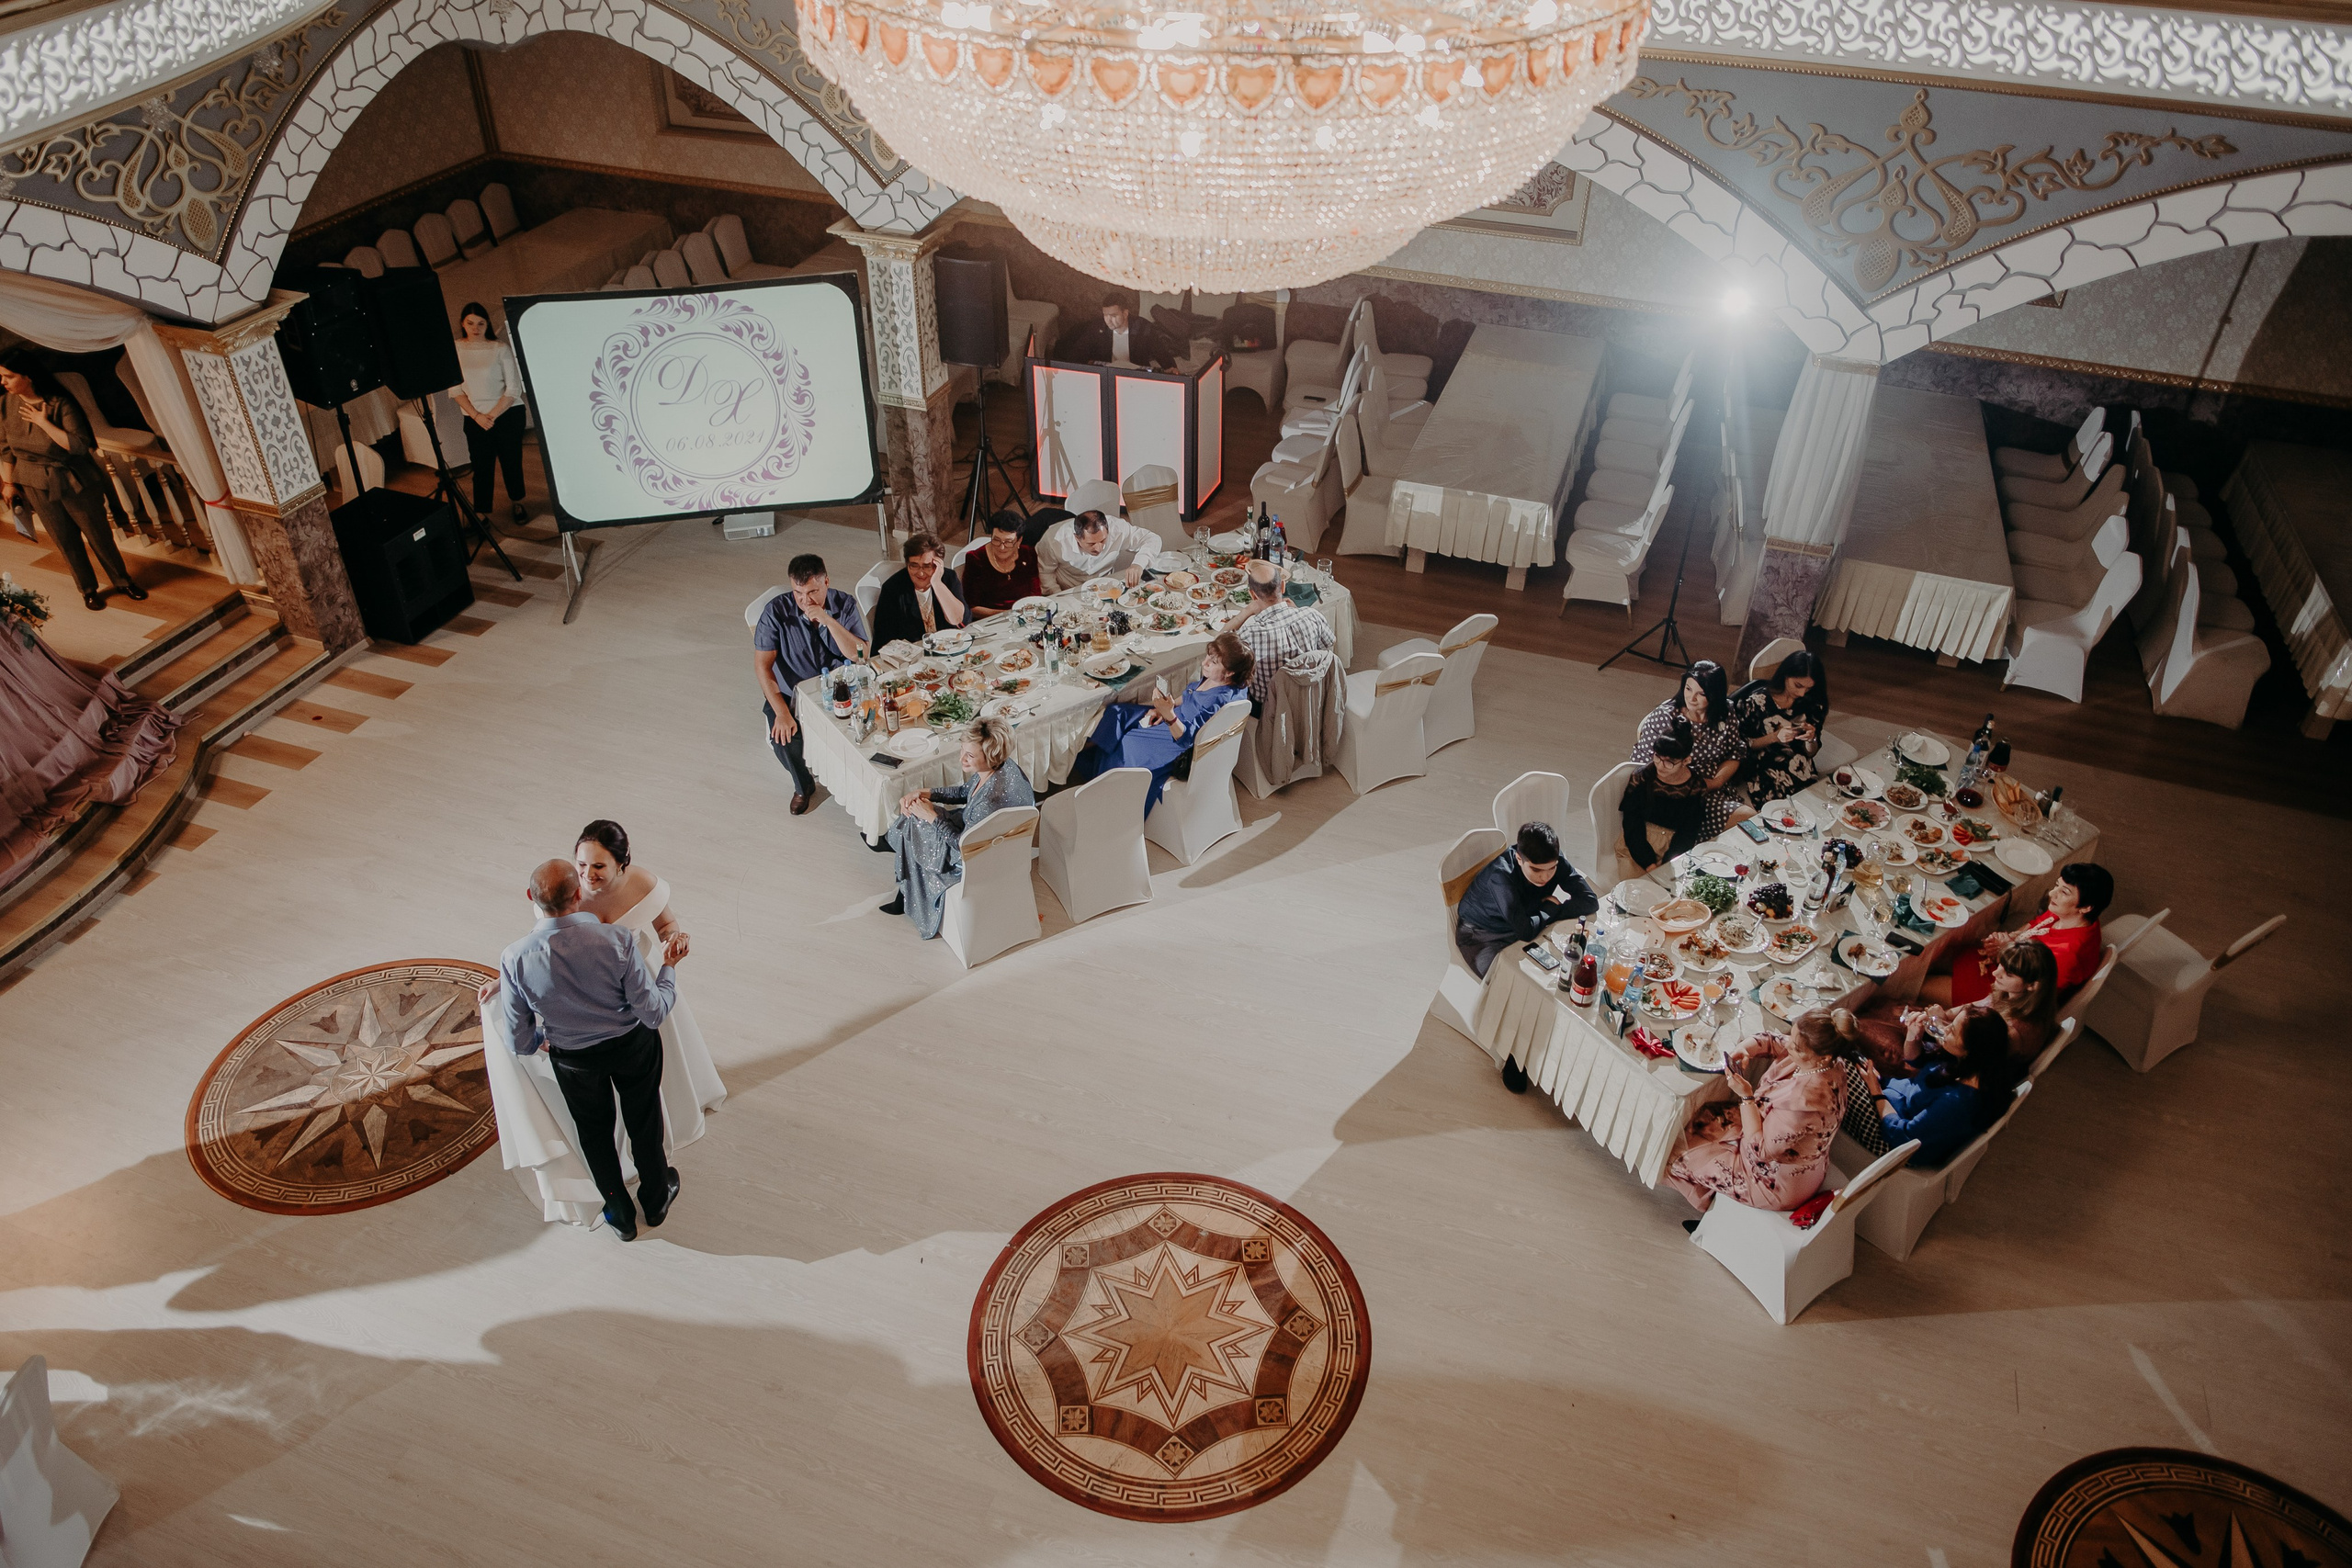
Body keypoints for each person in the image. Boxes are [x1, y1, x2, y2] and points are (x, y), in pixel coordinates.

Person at [493, 858, 686, 1242]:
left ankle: (619, 1213)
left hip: (574, 1060)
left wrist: (542, 1040)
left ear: (530, 896)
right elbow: (652, 1012)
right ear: (578, 895)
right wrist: (669, 968)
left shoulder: (514, 958)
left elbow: (518, 1038)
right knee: (644, 1120)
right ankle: (655, 1199)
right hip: (632, 1047)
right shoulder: (617, 941)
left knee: (594, 1135)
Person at [571, 819, 728, 1145]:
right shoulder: (569, 890)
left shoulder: (643, 883)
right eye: (582, 864)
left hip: (641, 972)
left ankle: (670, 1111)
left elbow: (666, 924)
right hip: (592, 985)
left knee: (657, 1047)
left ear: (621, 864)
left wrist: (673, 940)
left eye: (598, 866)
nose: (587, 874)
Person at [1667, 1007, 1859, 1215]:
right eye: (1792, 1036)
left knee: (1675, 1149)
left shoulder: (1805, 1104)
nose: (1789, 1045)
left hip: (1770, 1181)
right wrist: (1745, 1048)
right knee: (1699, 1116)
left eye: (1796, 1047)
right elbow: (1772, 1040)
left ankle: (1716, 1206)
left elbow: (1760, 1152)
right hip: (1777, 1144)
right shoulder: (1828, 1060)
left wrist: (1746, 1097)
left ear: (1823, 1057)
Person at [0, 355, 144, 612]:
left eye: (8, 376)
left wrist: (43, 423)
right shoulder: (4, 404)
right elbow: (5, 448)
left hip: (73, 479)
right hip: (34, 481)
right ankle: (87, 590)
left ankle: (123, 581)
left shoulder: (60, 404)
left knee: (98, 535)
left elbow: (78, 446)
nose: (2, 382)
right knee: (64, 539)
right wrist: (8, 483)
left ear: (28, 376)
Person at [880, 717, 1035, 937]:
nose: (962, 758)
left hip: (978, 857)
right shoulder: (1004, 765)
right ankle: (895, 845)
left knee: (917, 823)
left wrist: (932, 816)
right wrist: (925, 793)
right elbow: (964, 792)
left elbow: (962, 846)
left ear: (991, 756)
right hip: (993, 843)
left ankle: (901, 883)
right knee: (919, 814)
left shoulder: (989, 801)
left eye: (970, 755)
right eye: (962, 750)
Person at [1065, 633, 1253, 812]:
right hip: (1172, 717)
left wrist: (1169, 714)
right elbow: (1190, 696)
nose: (1205, 663)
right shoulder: (1220, 679)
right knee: (1119, 713)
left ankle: (1104, 791)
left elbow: (1186, 740)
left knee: (1127, 742)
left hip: (1178, 738)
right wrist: (1167, 706)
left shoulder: (1218, 701)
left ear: (1230, 672)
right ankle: (1093, 765)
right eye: (1208, 656)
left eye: (1213, 662)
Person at [752, 553, 868, 816]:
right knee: (784, 740)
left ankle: (856, 783)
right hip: (791, 692)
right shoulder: (775, 611)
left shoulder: (844, 604)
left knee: (866, 725)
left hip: (840, 688)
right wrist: (782, 712)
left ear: (826, 582)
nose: (805, 601)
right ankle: (803, 786)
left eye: (812, 592)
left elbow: (859, 654)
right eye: (798, 593)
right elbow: (762, 666)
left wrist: (828, 620)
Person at [1917, 861, 2111, 1007]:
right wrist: (2009, 939)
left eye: (2064, 892)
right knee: (1931, 955)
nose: (2052, 894)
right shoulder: (2070, 914)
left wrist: (2006, 951)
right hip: (1999, 965)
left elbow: (2030, 997)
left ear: (2086, 907)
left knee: (1918, 986)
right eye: (2056, 885)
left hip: (2003, 992)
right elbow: (2032, 926)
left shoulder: (2070, 954)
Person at [1861, 938, 2059, 1074]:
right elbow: (1966, 1009)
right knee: (1887, 1007)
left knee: (1869, 1026)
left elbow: (1965, 1056)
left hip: (1944, 1066)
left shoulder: (2012, 1032)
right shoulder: (2012, 995)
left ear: (2033, 986)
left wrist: (1938, 1024)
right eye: (2000, 965)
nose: (1995, 973)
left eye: (2008, 974)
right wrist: (1942, 1016)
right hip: (1949, 1038)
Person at [1857, 1009, 2021, 1169]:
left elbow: (1903, 1136)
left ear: (1971, 1050)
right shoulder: (1969, 1066)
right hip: (1893, 1094)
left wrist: (1876, 1092)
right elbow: (1916, 1061)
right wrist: (1914, 1036)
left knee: (1847, 1062)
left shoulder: (1958, 1104)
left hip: (1894, 1142)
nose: (1946, 1028)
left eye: (1953, 1031)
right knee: (1861, 1037)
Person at [1453, 820, 1600, 979]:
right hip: (1481, 935)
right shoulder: (1500, 878)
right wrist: (1550, 908)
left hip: (1525, 918)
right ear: (1519, 858)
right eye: (1536, 870)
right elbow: (1526, 932)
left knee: (1560, 967)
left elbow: (1590, 901)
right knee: (1505, 980)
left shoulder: (1556, 860)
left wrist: (1553, 910)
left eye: (1552, 868)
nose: (1545, 876)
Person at [1632, 660, 1747, 835]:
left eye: (1701, 694)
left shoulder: (1725, 711)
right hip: (1672, 793)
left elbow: (1735, 752)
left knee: (1749, 821)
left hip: (1713, 788)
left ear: (1715, 694)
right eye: (1688, 689)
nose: (1691, 698)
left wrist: (1716, 782)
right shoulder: (1665, 717)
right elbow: (1644, 766)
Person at [1226, 558, 1334, 715]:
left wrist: (1245, 612)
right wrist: (1297, 610)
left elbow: (1218, 645)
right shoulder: (1312, 615)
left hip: (1268, 708)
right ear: (1283, 586)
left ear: (1253, 595)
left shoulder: (1249, 634)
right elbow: (1329, 646)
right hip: (1309, 696)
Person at [452, 302, 528, 524]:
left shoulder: (500, 349)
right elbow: (455, 390)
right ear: (462, 324)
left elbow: (513, 389)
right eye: (470, 323)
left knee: (511, 462)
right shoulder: (455, 349)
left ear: (487, 324)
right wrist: (477, 416)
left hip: (507, 414)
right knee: (481, 466)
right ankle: (481, 512)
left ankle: (518, 502)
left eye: (481, 323)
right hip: (474, 417)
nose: (475, 328)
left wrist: (491, 416)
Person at [1730, 649, 1830, 806]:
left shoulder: (1813, 703)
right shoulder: (1756, 702)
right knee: (1779, 811)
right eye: (1798, 685)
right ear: (1786, 675)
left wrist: (1812, 738)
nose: (1802, 693)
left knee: (1814, 805)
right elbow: (1742, 745)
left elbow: (1811, 753)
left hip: (1801, 765)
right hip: (1765, 764)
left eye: (1808, 688)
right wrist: (1774, 737)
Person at [1618, 719, 1707, 871]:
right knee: (1636, 883)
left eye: (1670, 762)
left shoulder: (1695, 786)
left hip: (1675, 847)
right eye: (1657, 757)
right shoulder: (1642, 777)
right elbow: (1632, 822)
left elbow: (1688, 831)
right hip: (1639, 842)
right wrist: (1648, 862)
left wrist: (1668, 861)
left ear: (1686, 760)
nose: (1660, 765)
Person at [868, 531, 968, 651]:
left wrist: (937, 583)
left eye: (927, 566)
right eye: (914, 565)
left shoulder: (948, 578)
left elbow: (958, 620)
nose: (920, 573)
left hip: (949, 649)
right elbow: (883, 640)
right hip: (911, 654)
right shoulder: (892, 589)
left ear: (938, 565)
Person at [1040, 505, 1159, 592]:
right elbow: (1046, 574)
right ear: (1077, 538)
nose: (1099, 548)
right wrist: (1058, 598)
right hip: (1071, 591)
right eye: (1091, 543)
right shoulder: (1054, 540)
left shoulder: (1118, 529)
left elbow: (1152, 539)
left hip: (1106, 588)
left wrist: (1138, 564)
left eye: (1102, 540)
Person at [1056, 293, 1178, 371]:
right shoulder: (1097, 327)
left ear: (1125, 313)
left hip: (1135, 375)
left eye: (1113, 316)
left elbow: (1162, 353)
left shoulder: (1143, 328)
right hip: (1107, 374)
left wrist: (1171, 369)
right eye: (1105, 315)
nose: (1108, 320)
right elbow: (1078, 352)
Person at [962, 510, 1042, 614]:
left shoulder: (1028, 554)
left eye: (1008, 542)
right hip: (991, 618)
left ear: (1019, 541)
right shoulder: (976, 559)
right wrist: (1009, 614)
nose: (1002, 547)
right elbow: (970, 607)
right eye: (996, 540)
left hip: (1025, 615)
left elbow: (1035, 595)